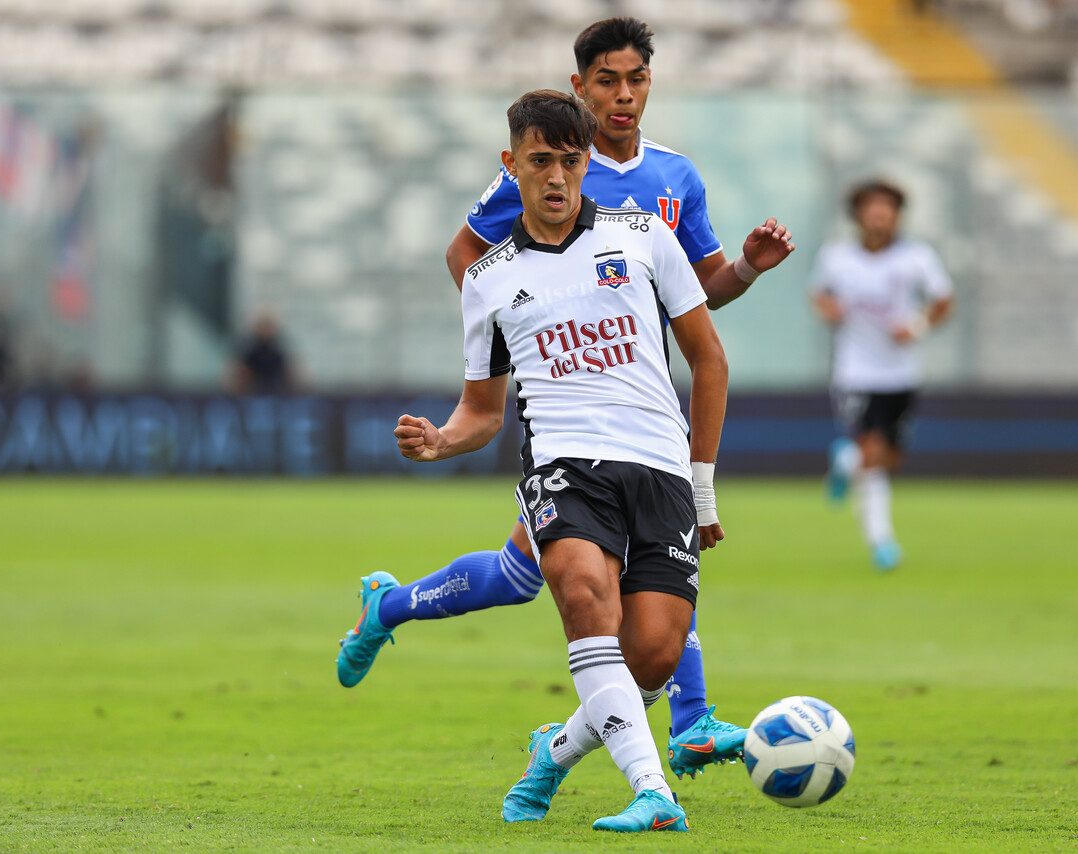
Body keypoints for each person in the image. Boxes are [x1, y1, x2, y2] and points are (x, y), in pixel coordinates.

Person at [336, 16, 795, 778]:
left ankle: (390, 606)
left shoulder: (674, 177)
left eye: (636, 79)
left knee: (530, 577)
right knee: (601, 576)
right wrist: (540, 325)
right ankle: (689, 719)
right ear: (580, 87)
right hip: (568, 406)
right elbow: (466, 255)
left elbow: (701, 292)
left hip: (637, 397)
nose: (623, 96)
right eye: (607, 80)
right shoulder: (547, 162)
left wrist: (744, 268)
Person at [393, 90, 728, 831]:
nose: (555, 176)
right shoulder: (486, 281)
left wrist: (702, 488)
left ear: (586, 164)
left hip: (659, 465)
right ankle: (654, 794)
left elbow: (709, 360)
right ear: (510, 164)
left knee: (653, 655)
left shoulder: (644, 238)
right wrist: (441, 441)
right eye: (539, 160)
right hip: (565, 463)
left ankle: (556, 749)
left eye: (569, 161)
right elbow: (481, 411)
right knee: (584, 600)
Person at [809, 179, 953, 571]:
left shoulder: (917, 258)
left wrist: (918, 325)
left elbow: (944, 299)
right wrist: (829, 310)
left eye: (887, 209)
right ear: (858, 215)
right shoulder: (836, 257)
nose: (880, 216)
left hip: (901, 374)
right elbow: (818, 293)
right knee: (873, 454)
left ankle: (845, 462)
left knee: (887, 458)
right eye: (872, 209)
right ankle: (882, 543)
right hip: (854, 372)